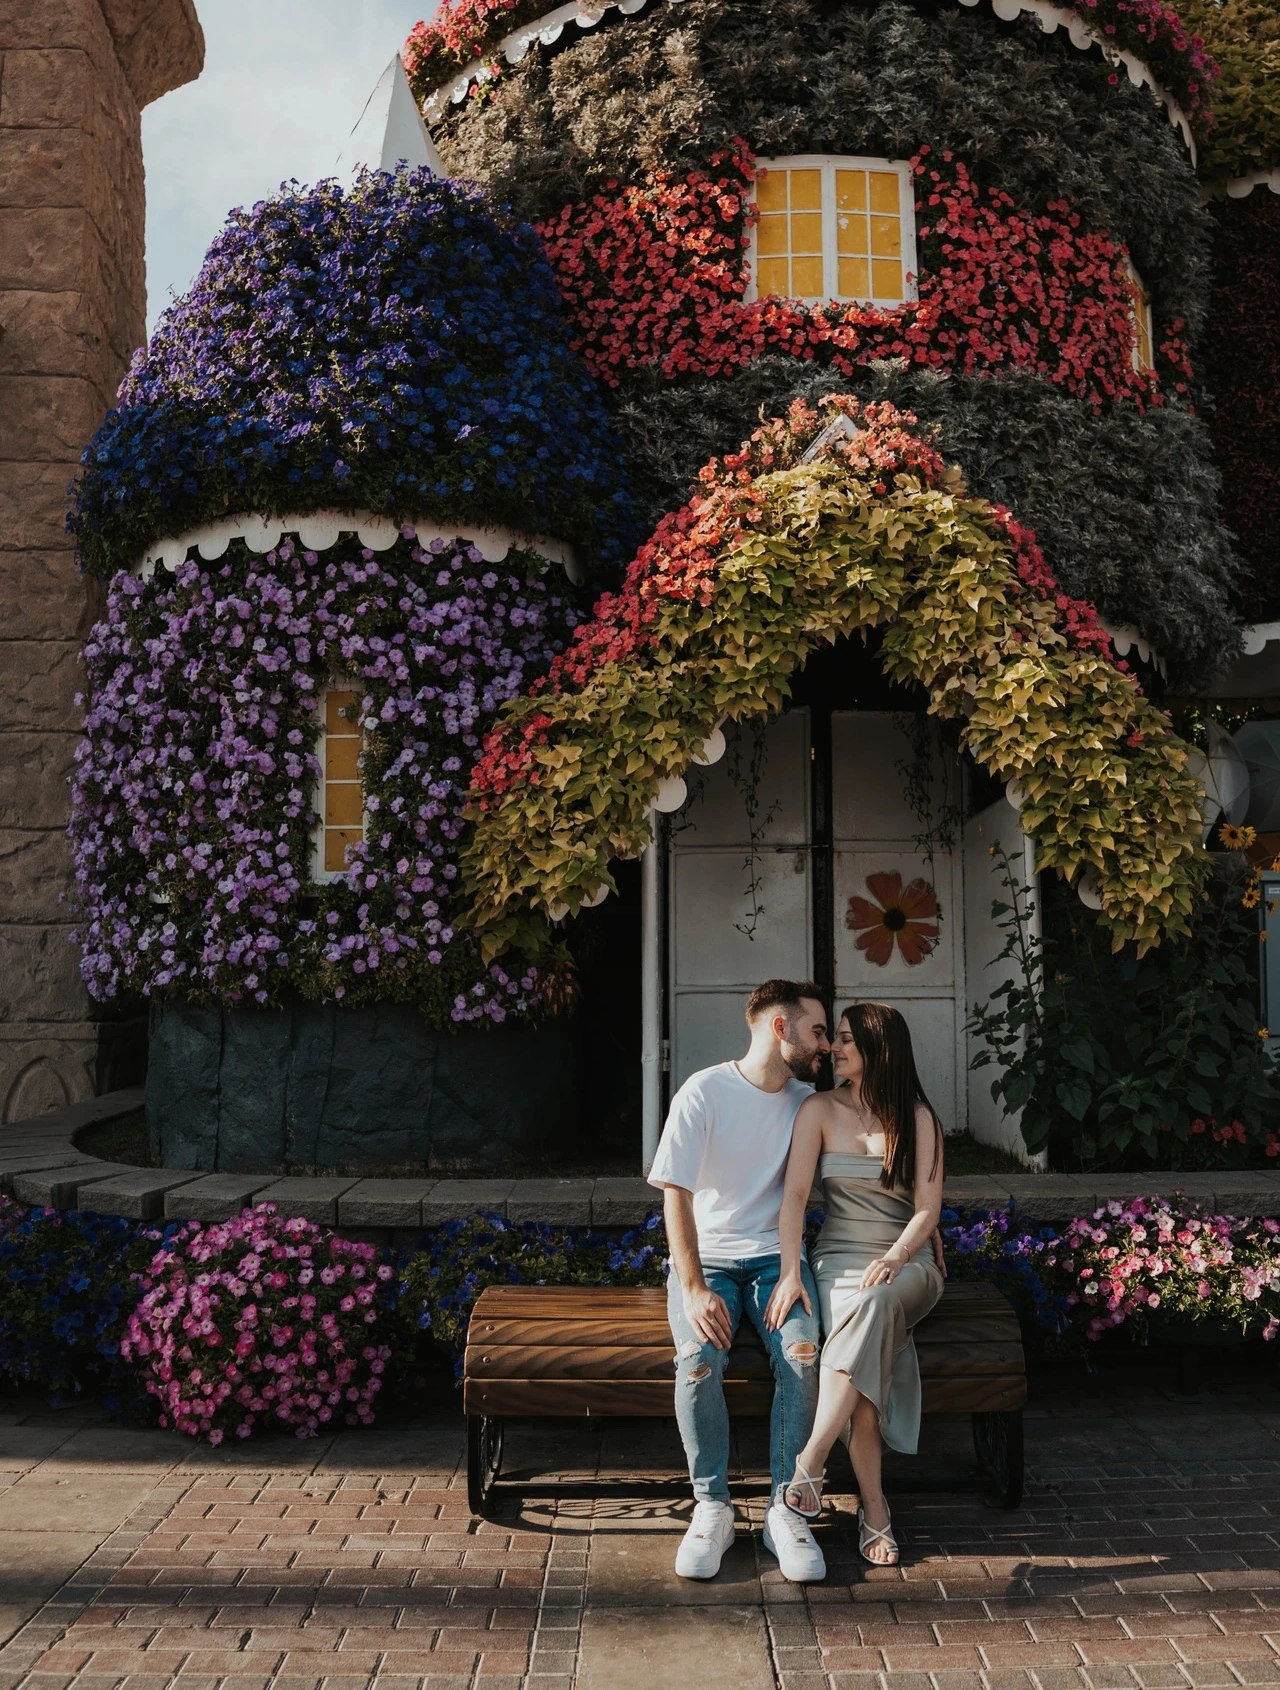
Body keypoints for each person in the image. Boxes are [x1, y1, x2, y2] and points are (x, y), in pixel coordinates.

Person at [648, 979, 831, 1584]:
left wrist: (788, 1271)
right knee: (698, 1356)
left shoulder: (808, 1103)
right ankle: (713, 1507)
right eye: (817, 1031)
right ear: (781, 1028)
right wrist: (694, 1285)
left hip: (777, 1259)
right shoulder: (705, 1091)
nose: (825, 1045)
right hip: (711, 1261)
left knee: (803, 1353)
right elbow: (675, 1193)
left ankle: (787, 1506)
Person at [764, 1001, 945, 1568]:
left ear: (878, 1049)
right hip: (836, 1261)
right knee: (861, 1362)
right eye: (834, 1039)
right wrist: (791, 1270)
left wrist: (897, 1256)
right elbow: (794, 1198)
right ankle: (875, 1510)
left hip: (905, 1264)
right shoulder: (818, 1109)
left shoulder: (918, 1119)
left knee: (875, 1303)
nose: (833, 1049)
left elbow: (927, 1211)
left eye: (845, 1040)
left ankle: (811, 1463)